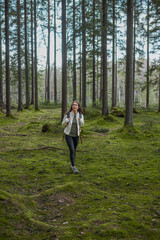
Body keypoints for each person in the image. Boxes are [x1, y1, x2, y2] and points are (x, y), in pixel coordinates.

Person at [62, 101, 84, 173]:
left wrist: (80, 121)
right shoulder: (68, 114)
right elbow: (62, 124)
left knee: (74, 150)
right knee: (72, 149)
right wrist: (66, 120)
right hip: (68, 135)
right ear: (72, 106)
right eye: (73, 105)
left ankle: (72, 164)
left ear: (78, 107)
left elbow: (82, 124)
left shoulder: (80, 115)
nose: (74, 106)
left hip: (76, 135)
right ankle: (74, 167)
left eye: (76, 105)